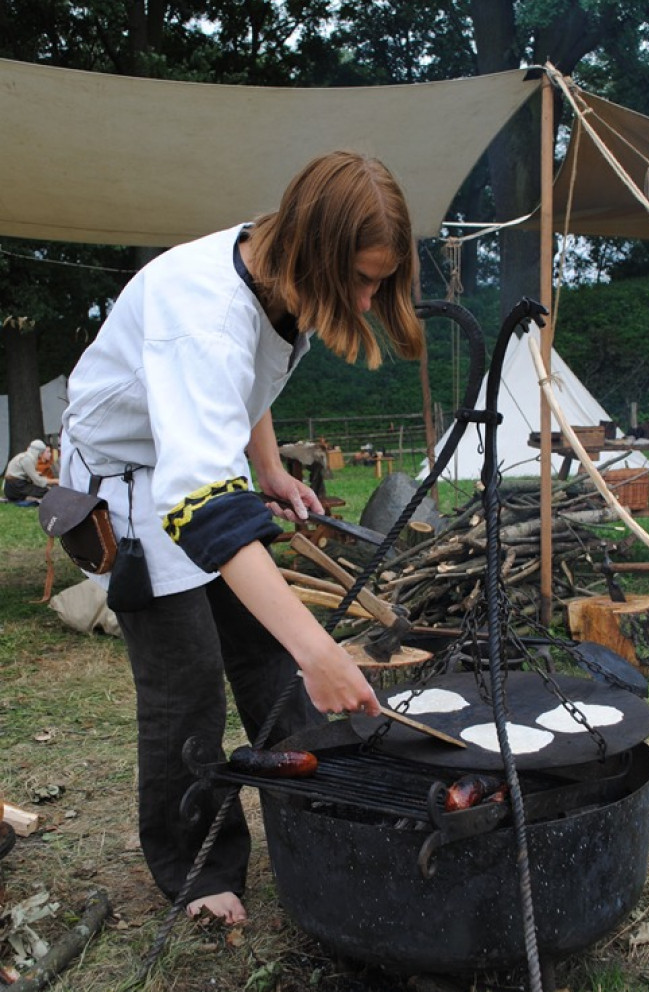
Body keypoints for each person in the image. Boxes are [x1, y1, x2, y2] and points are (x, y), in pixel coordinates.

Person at [59, 151, 425, 925]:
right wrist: (320, 649)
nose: (365, 301)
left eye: (377, 283)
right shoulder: (201, 318)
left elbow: (243, 386)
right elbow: (198, 502)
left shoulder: (276, 272)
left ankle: (323, 818)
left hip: (196, 460)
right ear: (318, 254)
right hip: (128, 485)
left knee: (264, 660)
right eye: (360, 281)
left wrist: (267, 467)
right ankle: (197, 867)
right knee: (187, 684)